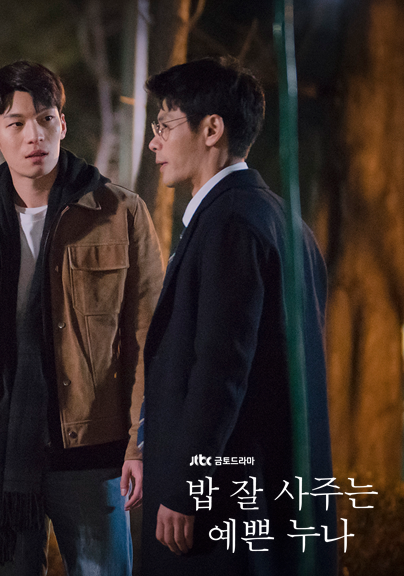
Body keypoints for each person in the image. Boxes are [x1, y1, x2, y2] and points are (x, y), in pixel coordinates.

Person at [0, 60, 163, 575]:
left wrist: (140, 446)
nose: (35, 135)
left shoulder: (119, 213)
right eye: (17, 124)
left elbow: (149, 339)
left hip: (93, 451)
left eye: (46, 119)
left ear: (63, 125)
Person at [140, 57, 336, 575]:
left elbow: (219, 372)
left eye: (164, 125)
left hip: (223, 512)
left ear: (212, 129)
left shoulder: (229, 224)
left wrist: (185, 489)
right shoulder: (286, 222)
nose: (154, 143)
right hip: (271, 504)